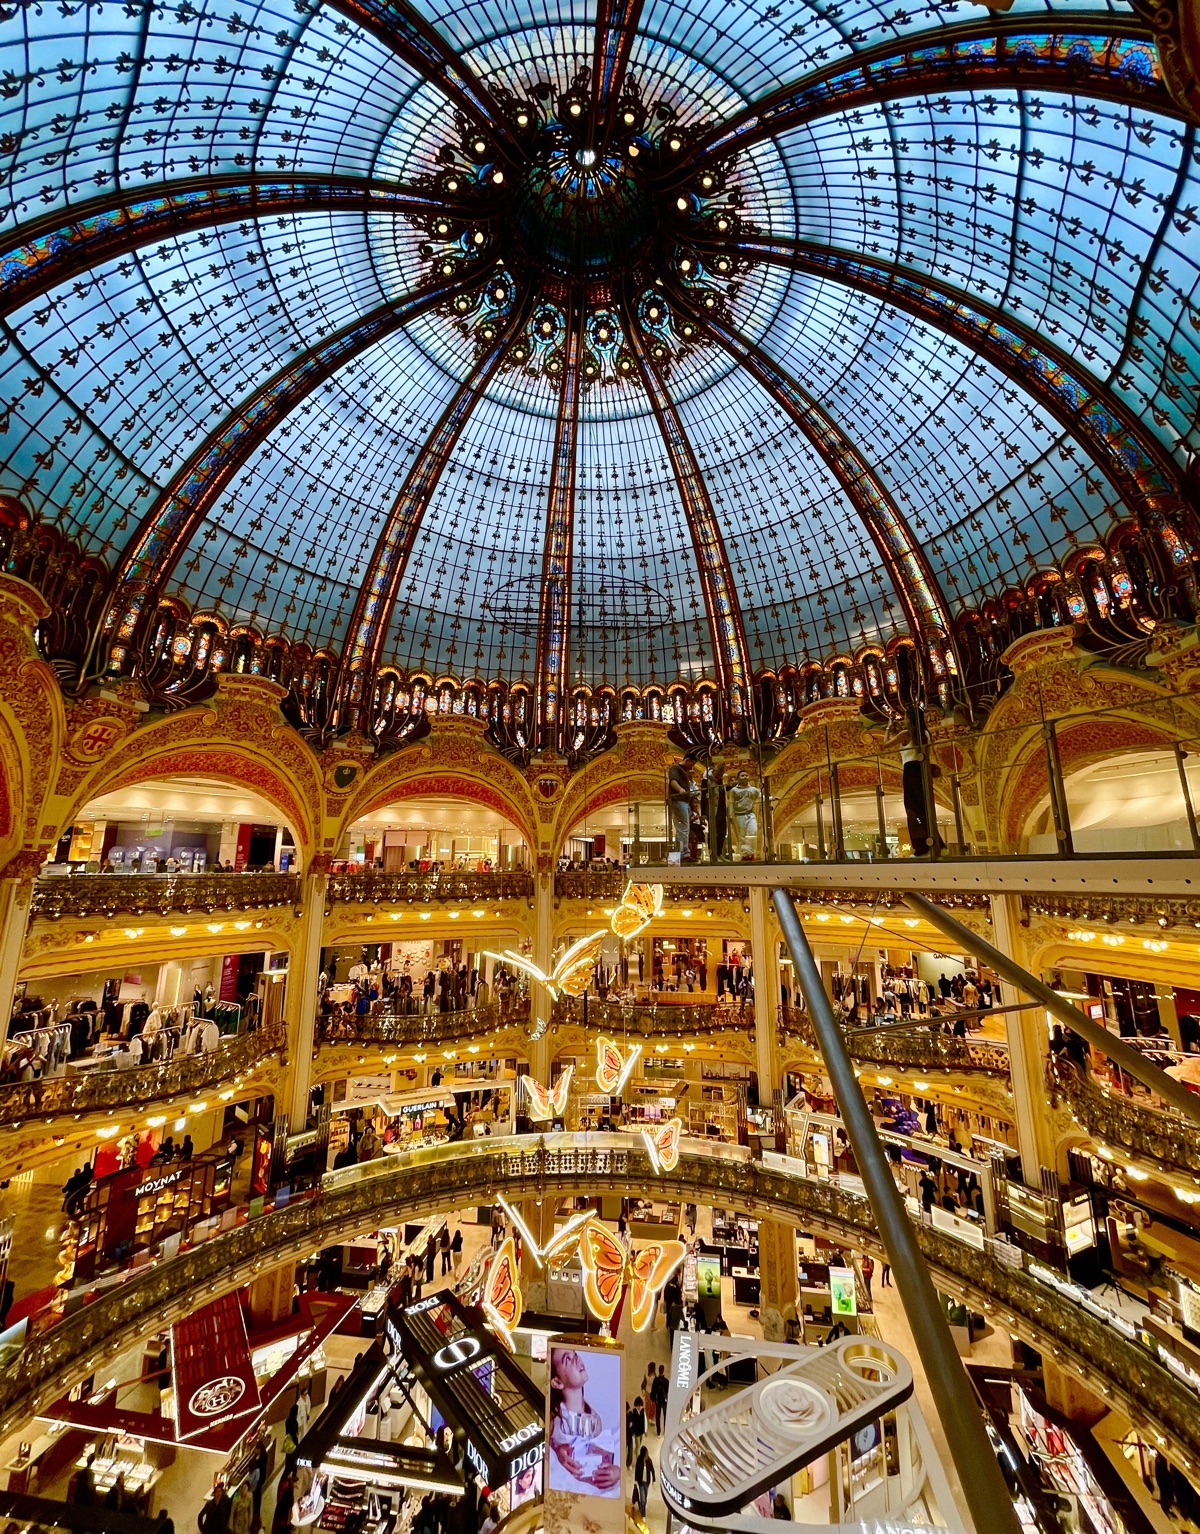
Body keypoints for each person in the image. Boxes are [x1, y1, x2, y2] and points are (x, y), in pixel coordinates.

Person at [548, 1347, 622, 1493]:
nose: (577, 1358)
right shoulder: (554, 1421)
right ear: (557, 1382)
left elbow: (606, 1460)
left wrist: (616, 1473)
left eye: (574, 1353)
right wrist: (556, 1451)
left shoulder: (596, 1420)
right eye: (567, 1359)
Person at [728, 770, 761, 860]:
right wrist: (730, 815)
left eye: (746, 775)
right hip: (739, 815)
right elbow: (731, 802)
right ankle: (745, 854)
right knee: (741, 835)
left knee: (753, 832)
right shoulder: (734, 790)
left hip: (750, 814)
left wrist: (771, 798)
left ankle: (751, 853)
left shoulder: (753, 789)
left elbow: (761, 796)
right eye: (742, 775)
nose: (745, 777)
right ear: (738, 778)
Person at [633, 1445, 656, 1514]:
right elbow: (636, 1471)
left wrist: (654, 1479)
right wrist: (635, 1481)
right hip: (641, 1482)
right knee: (643, 1499)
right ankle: (643, 1514)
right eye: (646, 1453)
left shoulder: (649, 1461)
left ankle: (641, 1507)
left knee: (645, 1499)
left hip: (647, 1482)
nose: (647, 1455)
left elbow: (652, 1470)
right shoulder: (639, 1460)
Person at [650, 1362, 669, 1435]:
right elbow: (668, 1391)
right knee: (665, 1416)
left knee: (658, 1416)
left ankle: (658, 1432)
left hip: (658, 1401)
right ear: (663, 1371)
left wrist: (653, 1399)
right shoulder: (666, 1381)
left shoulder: (656, 1380)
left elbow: (653, 1390)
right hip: (664, 1401)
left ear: (658, 1371)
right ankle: (665, 1431)